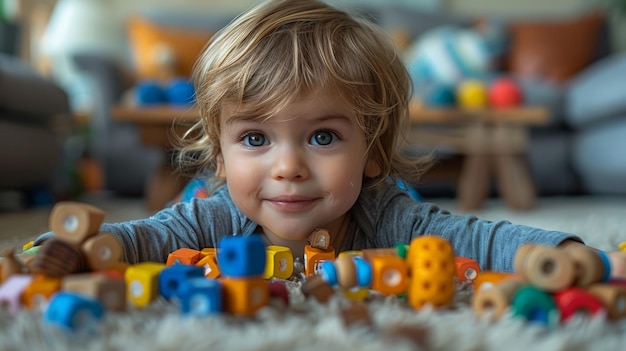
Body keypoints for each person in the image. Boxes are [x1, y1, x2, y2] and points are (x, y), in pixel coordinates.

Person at [34, 0, 626, 277]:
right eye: (255, 139)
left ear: (371, 152)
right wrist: (59, 254)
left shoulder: (388, 215)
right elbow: (139, 239)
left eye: (321, 137)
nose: (287, 167)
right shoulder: (210, 216)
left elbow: (480, 237)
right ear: (219, 153)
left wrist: (568, 252)